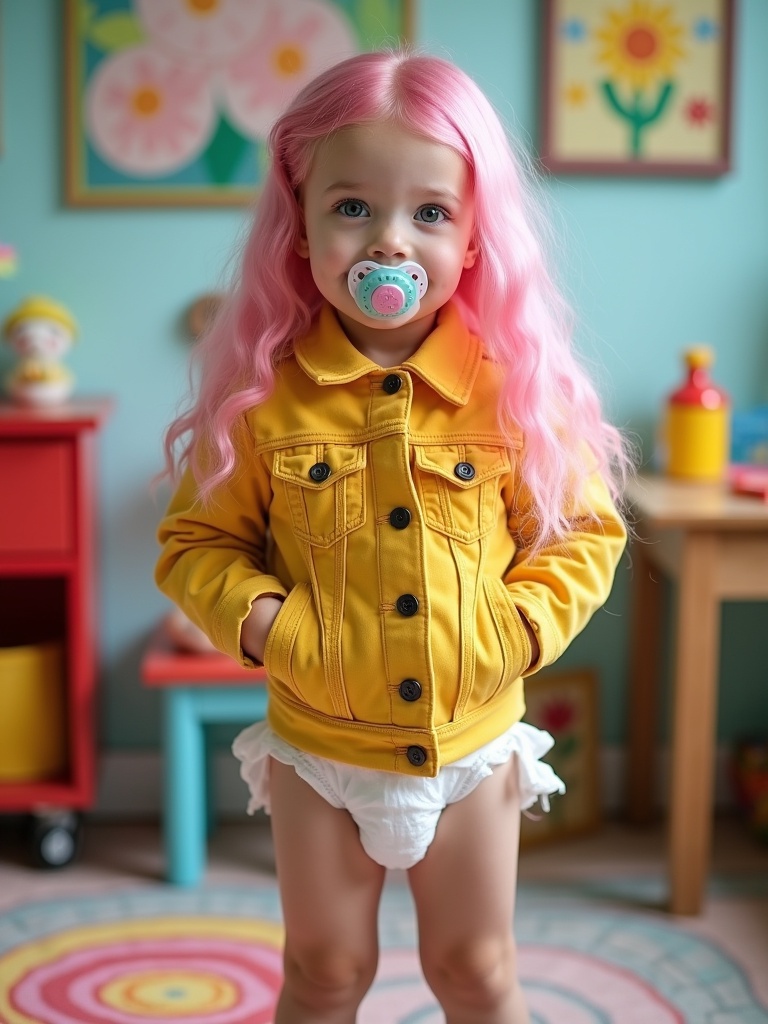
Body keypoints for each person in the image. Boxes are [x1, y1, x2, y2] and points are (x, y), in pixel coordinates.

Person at [156, 49, 630, 1024]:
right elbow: (195, 542)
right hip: (317, 751)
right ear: (301, 222)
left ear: (473, 235)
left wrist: (521, 631)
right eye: (352, 208)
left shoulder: (511, 389)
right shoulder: (266, 396)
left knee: (475, 968)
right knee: (324, 969)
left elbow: (585, 531)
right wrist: (267, 626)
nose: (389, 244)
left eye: (430, 212)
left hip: (471, 747)